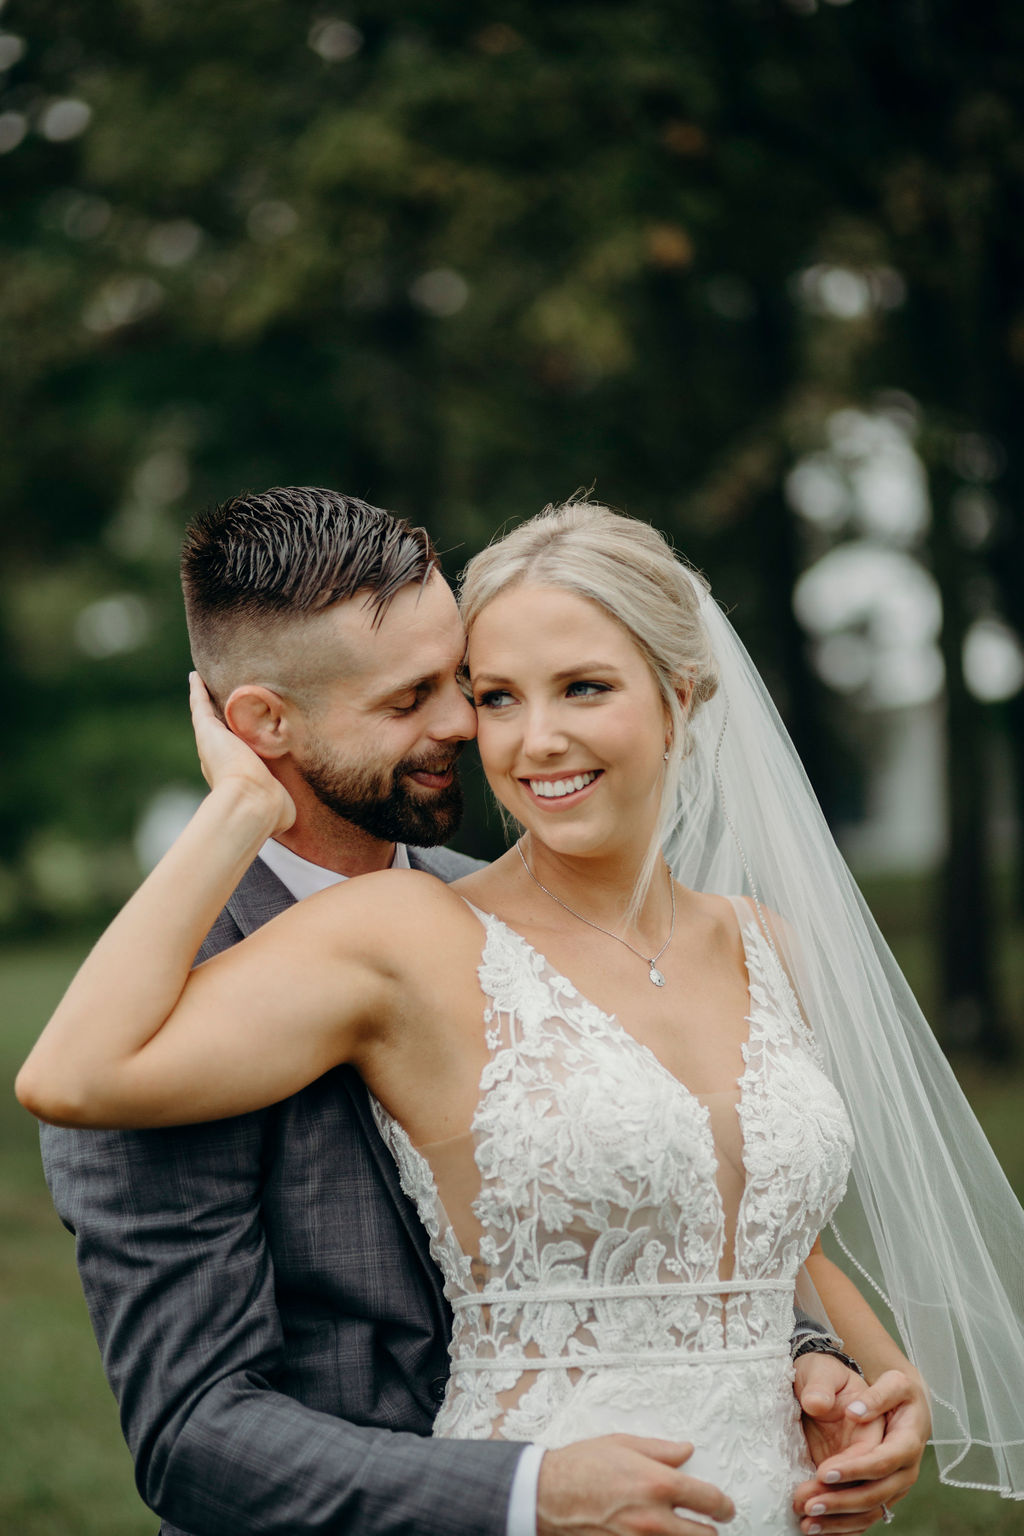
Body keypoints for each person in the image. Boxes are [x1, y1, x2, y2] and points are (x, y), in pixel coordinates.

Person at [25, 492, 968, 1536]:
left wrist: (842, 1371)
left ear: (681, 699)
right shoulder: (227, 978)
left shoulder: (649, 925)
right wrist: (527, 1495)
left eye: (462, 684)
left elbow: (722, 1230)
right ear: (262, 727)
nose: (475, 731)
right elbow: (194, 1435)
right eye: (440, 695)